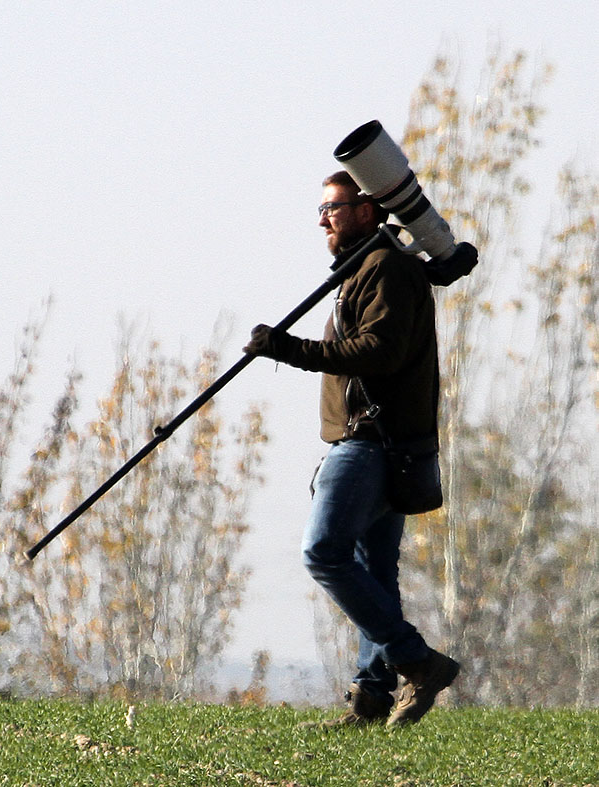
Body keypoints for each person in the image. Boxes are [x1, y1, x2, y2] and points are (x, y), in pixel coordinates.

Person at [242, 170, 460, 727]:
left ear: (367, 211)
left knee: (324, 553)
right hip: (386, 446)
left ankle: (416, 661)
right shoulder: (371, 269)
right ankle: (370, 698)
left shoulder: (385, 268)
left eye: (332, 208)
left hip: (369, 444)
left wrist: (288, 349)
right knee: (374, 572)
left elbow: (379, 352)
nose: (322, 219)